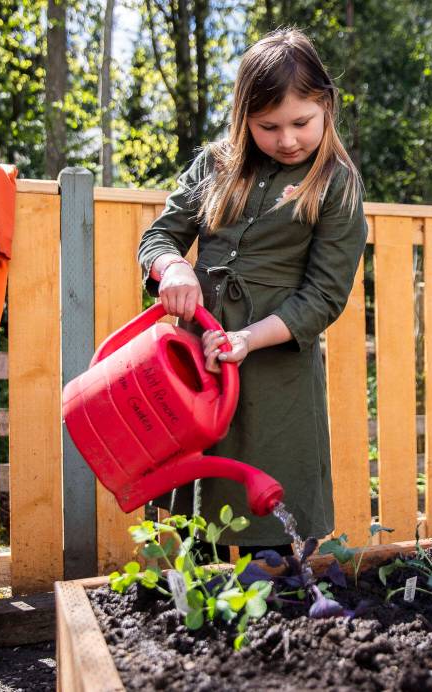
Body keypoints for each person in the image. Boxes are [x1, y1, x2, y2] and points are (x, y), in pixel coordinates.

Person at [136, 28, 367, 559]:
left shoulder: (337, 183)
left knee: (274, 503)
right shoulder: (215, 165)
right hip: (199, 357)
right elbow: (160, 236)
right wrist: (172, 268)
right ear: (244, 118)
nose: (287, 139)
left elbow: (324, 296)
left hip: (275, 362)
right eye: (269, 126)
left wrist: (246, 339)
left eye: (301, 123)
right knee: (200, 503)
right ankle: (204, 609)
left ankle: (285, 603)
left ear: (326, 106)